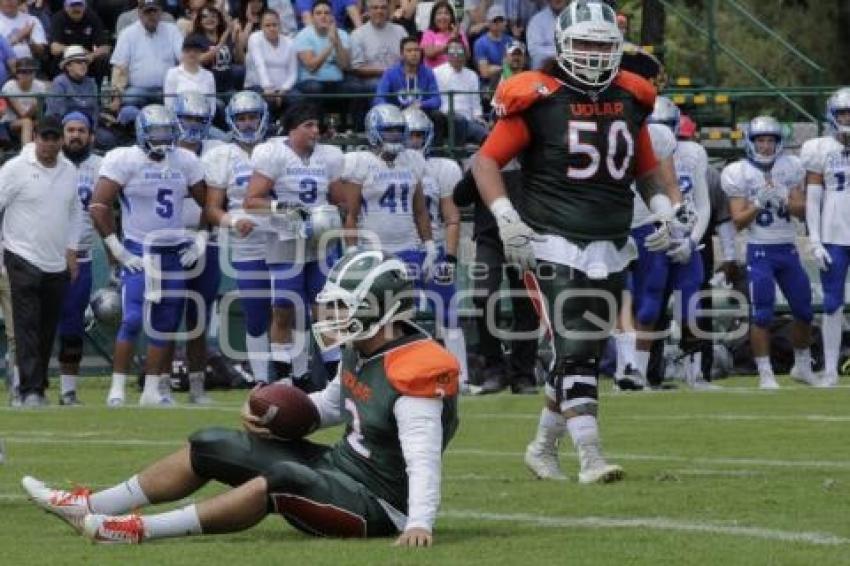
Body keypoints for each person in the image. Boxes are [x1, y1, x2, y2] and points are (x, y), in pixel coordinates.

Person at [22, 249, 460, 547]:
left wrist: (419, 521)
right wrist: (277, 414)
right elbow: (332, 402)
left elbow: (423, 460)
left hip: (379, 506)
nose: (333, 317)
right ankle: (89, 505)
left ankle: (138, 529)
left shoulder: (416, 369)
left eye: (345, 307)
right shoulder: (361, 347)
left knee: (284, 476)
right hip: (340, 470)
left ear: (381, 310)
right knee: (213, 441)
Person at [472, 0, 677, 482]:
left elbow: (643, 167)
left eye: (603, 45)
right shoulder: (538, 97)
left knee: (575, 351)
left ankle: (542, 448)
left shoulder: (632, 97)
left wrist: (664, 209)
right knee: (580, 347)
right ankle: (591, 456)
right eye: (584, 43)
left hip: (610, 238)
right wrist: (505, 216)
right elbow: (485, 162)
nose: (593, 53)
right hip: (549, 239)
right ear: (562, 45)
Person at [90, 104, 207, 407]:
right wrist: (117, 249)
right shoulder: (124, 159)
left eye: (167, 131)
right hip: (140, 248)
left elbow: (210, 203)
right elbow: (99, 206)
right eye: (156, 132)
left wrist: (201, 239)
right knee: (131, 318)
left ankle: (152, 390)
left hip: (174, 250)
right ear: (142, 132)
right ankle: (117, 387)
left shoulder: (185, 160)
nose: (162, 138)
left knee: (167, 321)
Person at [243, 103, 346, 389]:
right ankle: (283, 375)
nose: (315, 131)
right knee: (284, 307)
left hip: (320, 242)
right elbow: (251, 201)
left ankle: (335, 374)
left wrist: (333, 216)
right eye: (309, 125)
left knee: (325, 308)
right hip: (286, 238)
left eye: (317, 125)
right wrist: (282, 206)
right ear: (292, 129)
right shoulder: (274, 154)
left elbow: (342, 200)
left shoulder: (329, 157)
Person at [721, 115, 817, 389]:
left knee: (804, 311)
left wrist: (786, 199)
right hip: (760, 250)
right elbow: (738, 221)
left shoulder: (791, 166)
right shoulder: (738, 171)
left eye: (770, 140)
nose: (765, 146)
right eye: (761, 140)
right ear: (752, 143)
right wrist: (758, 204)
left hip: (788, 248)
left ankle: (802, 364)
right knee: (762, 313)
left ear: (779, 143)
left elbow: (803, 210)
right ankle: (765, 373)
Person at [630, 96, 713, 390]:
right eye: (654, 126)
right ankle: (635, 372)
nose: (660, 133)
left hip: (683, 234)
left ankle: (695, 374)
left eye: (665, 126)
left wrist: (691, 242)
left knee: (691, 303)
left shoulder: (692, 153)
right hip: (650, 231)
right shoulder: (634, 150)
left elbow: (702, 206)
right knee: (648, 305)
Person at [0, 116, 82, 407]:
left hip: (55, 260)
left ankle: (38, 386)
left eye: (53, 138)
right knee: (26, 325)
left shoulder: (69, 171)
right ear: (34, 137)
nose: (48, 143)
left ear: (60, 140)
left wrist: (72, 250)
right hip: (20, 255)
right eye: (43, 137)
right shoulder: (14, 169)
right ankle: (29, 390)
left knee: (47, 327)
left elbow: (75, 212)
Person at [204, 91, 272, 383]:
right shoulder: (222, 155)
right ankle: (261, 381)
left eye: (252, 117)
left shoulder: (277, 150)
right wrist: (232, 222)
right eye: (241, 118)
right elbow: (212, 208)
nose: (247, 124)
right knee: (256, 314)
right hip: (246, 247)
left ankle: (292, 376)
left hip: (283, 242)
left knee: (289, 311)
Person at [340, 104, 436, 300]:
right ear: (374, 130)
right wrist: (352, 250)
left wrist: (430, 246)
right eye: (389, 130)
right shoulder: (359, 161)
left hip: (409, 247)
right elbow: (350, 214)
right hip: (372, 250)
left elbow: (420, 211)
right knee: (377, 310)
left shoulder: (413, 159)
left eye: (399, 129)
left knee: (407, 311)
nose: (395, 135)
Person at [402, 107, 468, 387]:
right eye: (408, 135)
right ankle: (408, 376)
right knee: (403, 316)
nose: (413, 141)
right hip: (402, 248)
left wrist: (450, 258)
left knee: (448, 313)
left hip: (435, 247)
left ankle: (461, 377)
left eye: (418, 135)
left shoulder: (443, 168)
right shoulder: (384, 167)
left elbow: (452, 217)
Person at [801, 87, 850, 388]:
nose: (848, 119)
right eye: (844, 113)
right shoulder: (819, 148)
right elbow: (812, 199)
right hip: (834, 234)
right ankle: (830, 368)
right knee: (832, 303)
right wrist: (814, 239)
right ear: (832, 116)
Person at [53, 112, 102, 406]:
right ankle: (25, 386)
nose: (75, 135)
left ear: (91, 135)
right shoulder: (47, 165)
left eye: (81, 130)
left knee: (72, 328)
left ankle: (68, 390)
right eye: (70, 130)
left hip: (81, 258)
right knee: (33, 325)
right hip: (44, 256)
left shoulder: (102, 166)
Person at [110, 0, 184, 113]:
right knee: (130, 97)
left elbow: (184, 59)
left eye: (155, 11)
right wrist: (116, 98)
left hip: (167, 90)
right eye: (148, 12)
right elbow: (120, 68)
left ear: (161, 12)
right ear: (139, 13)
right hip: (138, 91)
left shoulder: (172, 30)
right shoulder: (127, 33)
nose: (152, 15)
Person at [375, 37, 446, 145]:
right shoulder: (390, 73)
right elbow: (379, 98)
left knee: (438, 116)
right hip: (397, 115)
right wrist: (393, 111)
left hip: (421, 112)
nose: (414, 54)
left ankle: (435, 153)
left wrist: (420, 104)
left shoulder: (428, 72)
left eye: (416, 50)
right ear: (402, 54)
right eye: (409, 51)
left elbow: (437, 100)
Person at [293, 0, 354, 119]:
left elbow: (345, 65)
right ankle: (318, 127)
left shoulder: (342, 34)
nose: (323, 16)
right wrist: (330, 45)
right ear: (312, 17)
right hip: (310, 81)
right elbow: (311, 67)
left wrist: (337, 42)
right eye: (319, 13)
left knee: (356, 87)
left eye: (327, 13)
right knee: (315, 88)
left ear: (332, 16)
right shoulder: (303, 35)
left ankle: (352, 128)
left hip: (335, 81)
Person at [433, 37, 486, 145]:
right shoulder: (436, 72)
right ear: (447, 54)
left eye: (459, 52)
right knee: (458, 120)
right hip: (446, 117)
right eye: (452, 52)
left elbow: (475, 103)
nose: (456, 56)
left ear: (465, 54)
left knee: (485, 134)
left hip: (468, 120)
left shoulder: (472, 75)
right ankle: (457, 156)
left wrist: (478, 117)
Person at [244, 9, 298, 112]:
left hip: (283, 88)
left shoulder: (290, 42)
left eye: (275, 25)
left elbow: (293, 73)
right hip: (258, 86)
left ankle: (289, 126)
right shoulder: (254, 38)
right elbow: (259, 64)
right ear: (261, 27)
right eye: (267, 25)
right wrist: (267, 87)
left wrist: (283, 90)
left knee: (298, 98)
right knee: (268, 101)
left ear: (280, 25)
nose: (272, 28)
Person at [49, 0, 111, 81]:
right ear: (65, 7)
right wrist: (77, 50)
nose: (76, 9)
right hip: (65, 58)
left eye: (79, 5)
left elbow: (105, 48)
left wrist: (92, 56)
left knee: (103, 59)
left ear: (85, 6)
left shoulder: (92, 17)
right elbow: (54, 48)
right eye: (73, 6)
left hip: (87, 58)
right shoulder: (58, 18)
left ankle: (97, 89)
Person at [45, 45, 99, 126]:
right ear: (68, 66)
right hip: (62, 126)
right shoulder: (59, 82)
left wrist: (92, 131)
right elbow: (57, 113)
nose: (83, 65)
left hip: (87, 127)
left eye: (85, 62)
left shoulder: (91, 82)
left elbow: (95, 111)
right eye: (79, 62)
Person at [163, 35, 217, 114]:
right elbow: (169, 105)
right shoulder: (172, 73)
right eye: (188, 51)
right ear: (182, 52)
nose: (192, 54)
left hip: (202, 120)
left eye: (195, 51)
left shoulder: (209, 76)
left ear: (200, 53)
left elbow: (212, 106)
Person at [1, 57, 46, 145]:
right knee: (27, 122)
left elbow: (39, 114)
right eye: (23, 72)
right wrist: (35, 106)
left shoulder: (40, 86)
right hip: (9, 122)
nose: (27, 75)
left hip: (33, 119)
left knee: (45, 122)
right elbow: (22, 115)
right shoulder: (9, 86)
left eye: (30, 72)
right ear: (17, 74)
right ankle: (27, 153)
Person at [419, 1, 468, 69]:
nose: (443, 17)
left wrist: (458, 37)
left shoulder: (459, 32)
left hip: (455, 72)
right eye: (439, 13)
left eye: (446, 13)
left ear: (451, 17)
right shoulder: (428, 33)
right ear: (434, 17)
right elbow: (428, 53)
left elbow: (467, 55)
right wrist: (452, 39)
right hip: (434, 74)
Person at [473, 4, 511, 88]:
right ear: (488, 22)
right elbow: (485, 72)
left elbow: (515, 68)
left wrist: (494, 68)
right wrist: (504, 68)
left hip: (508, 82)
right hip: (488, 85)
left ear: (505, 22)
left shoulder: (511, 41)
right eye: (495, 20)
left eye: (501, 20)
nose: (498, 23)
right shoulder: (480, 43)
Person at [526, 0, 567, 69]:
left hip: (572, 71)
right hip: (543, 74)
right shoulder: (537, 20)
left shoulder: (577, 18)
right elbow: (535, 51)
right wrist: (562, 53)